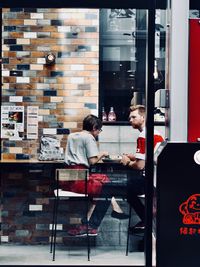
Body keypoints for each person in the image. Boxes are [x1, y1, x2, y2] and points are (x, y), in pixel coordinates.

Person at [67, 105, 164, 237]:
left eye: (133, 117)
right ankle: (146, 220)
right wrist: (134, 157)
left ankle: (92, 226)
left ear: (143, 117)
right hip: (156, 182)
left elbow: (140, 166)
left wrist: (127, 162)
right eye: (130, 117)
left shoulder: (143, 136)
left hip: (147, 181)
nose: (130, 119)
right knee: (126, 191)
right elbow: (150, 156)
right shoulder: (155, 133)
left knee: (108, 187)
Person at [63, 114, 129, 225]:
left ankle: (112, 209)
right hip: (79, 180)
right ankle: (91, 220)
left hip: (68, 178)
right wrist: (102, 154)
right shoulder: (89, 137)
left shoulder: (71, 136)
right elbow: (92, 161)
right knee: (104, 187)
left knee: (103, 178)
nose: (99, 133)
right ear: (94, 128)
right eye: (99, 130)